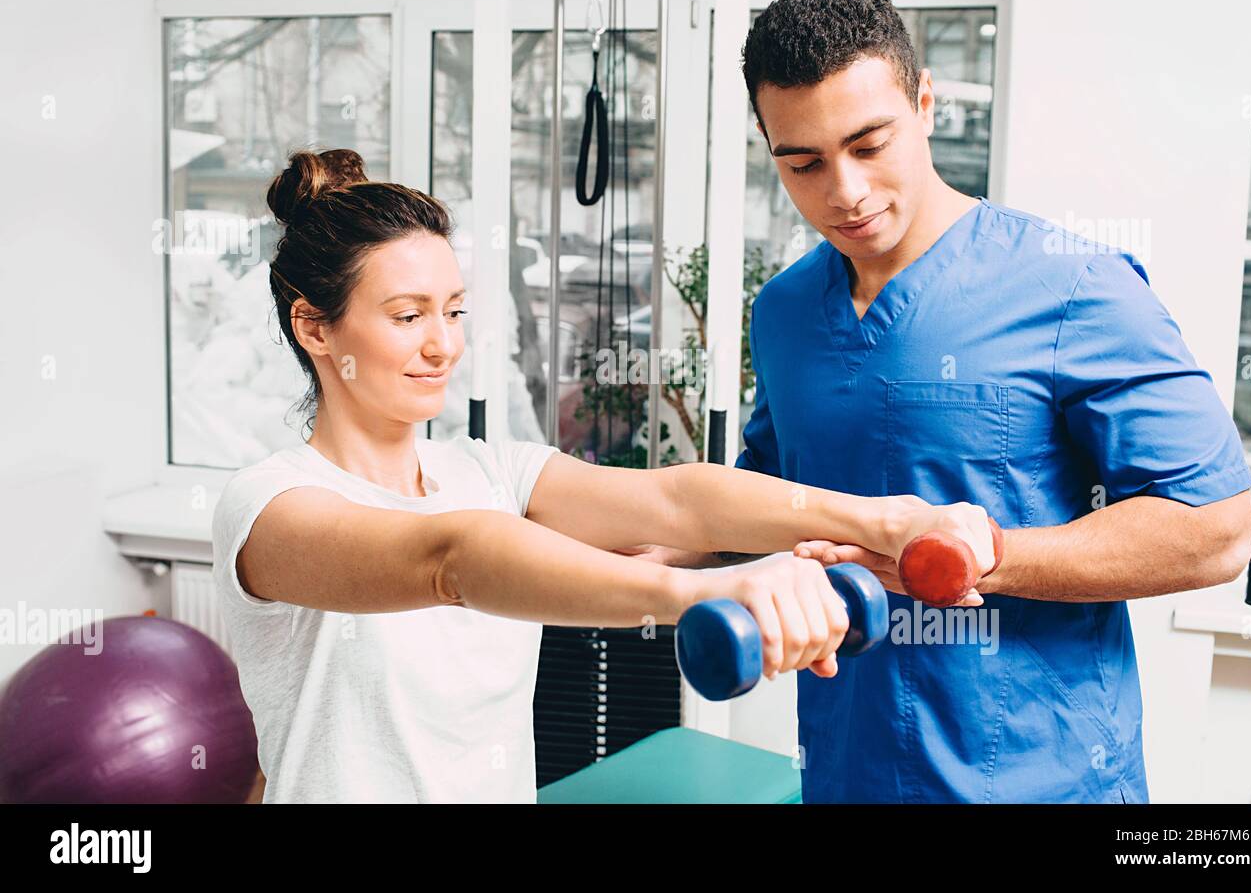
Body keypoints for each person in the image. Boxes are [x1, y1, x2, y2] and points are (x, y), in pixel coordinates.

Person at [209, 148, 996, 803]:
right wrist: (701, 593)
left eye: (453, 311)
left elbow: (677, 500)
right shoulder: (269, 508)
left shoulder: (487, 468)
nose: (444, 345)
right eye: (408, 316)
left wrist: (880, 520)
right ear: (316, 325)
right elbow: (450, 558)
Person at [650, 0, 1251, 803]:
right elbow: (759, 496)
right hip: (846, 774)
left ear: (925, 102)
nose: (845, 192)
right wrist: (609, 552)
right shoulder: (787, 311)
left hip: (1043, 782)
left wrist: (991, 557)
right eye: (804, 162)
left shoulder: (1074, 286)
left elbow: (1216, 529)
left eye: (870, 145)